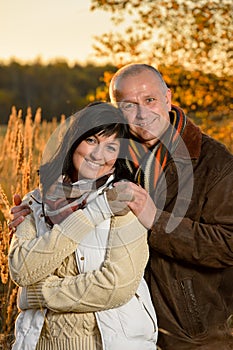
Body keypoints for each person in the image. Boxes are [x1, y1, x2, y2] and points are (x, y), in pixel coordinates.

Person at [9, 64, 233, 350]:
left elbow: (228, 244)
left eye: (150, 100)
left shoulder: (215, 163)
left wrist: (157, 221)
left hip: (189, 333)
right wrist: (35, 210)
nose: (142, 114)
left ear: (168, 97)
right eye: (129, 105)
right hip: (122, 328)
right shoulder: (115, 155)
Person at [8, 102, 158, 350]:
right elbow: (21, 270)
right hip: (38, 343)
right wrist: (95, 213)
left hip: (109, 343)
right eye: (90, 140)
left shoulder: (123, 201)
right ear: (73, 141)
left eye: (111, 147)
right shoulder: (35, 201)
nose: (98, 155)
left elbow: (116, 285)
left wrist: (39, 294)